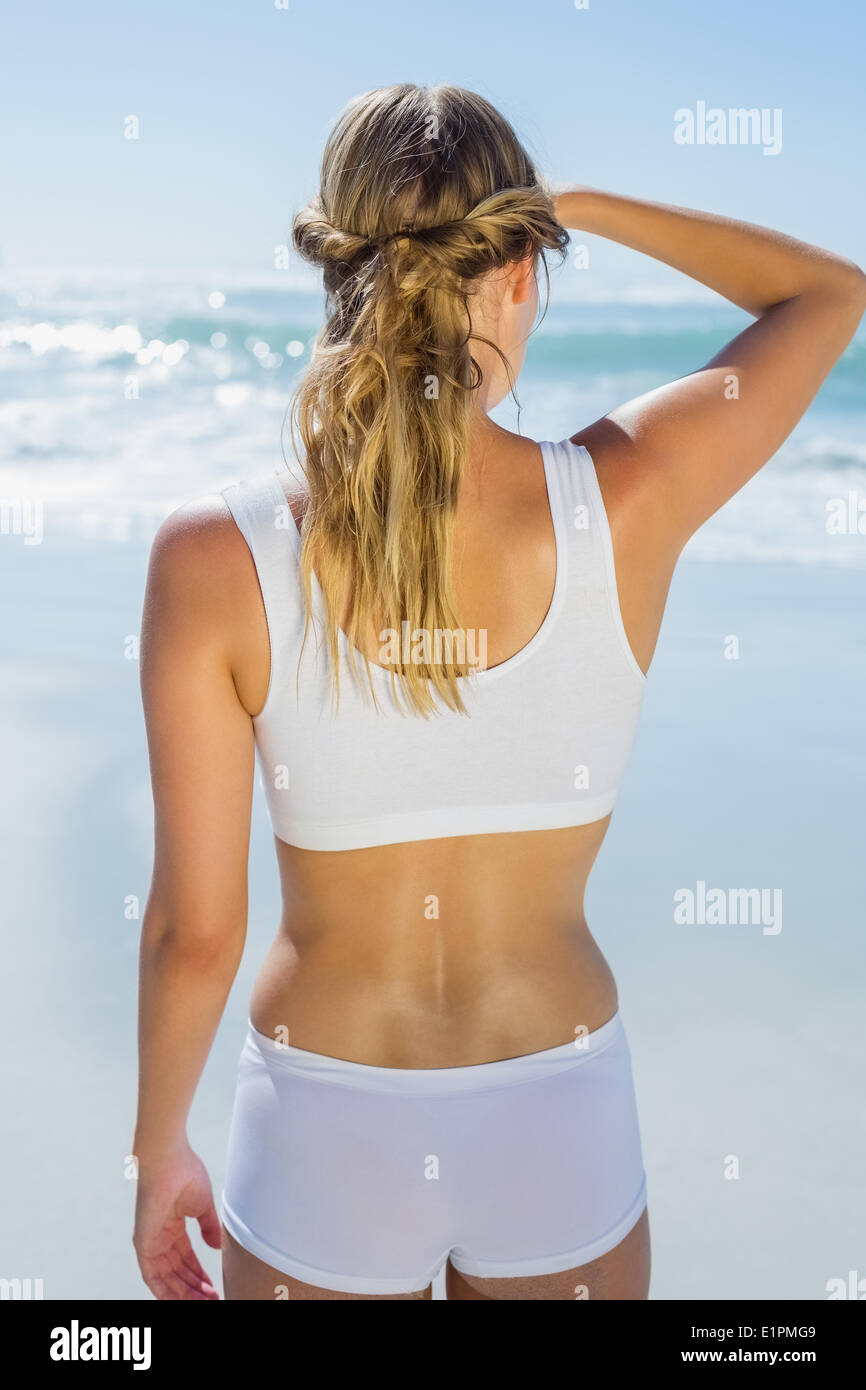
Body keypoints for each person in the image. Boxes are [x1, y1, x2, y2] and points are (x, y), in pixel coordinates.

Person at [132, 84, 865, 1301]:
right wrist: (582, 209)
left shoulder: (214, 561)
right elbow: (829, 295)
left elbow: (193, 934)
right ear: (518, 270)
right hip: (557, 1103)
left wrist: (155, 1155)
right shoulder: (625, 501)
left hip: (323, 1117)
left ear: (337, 275)